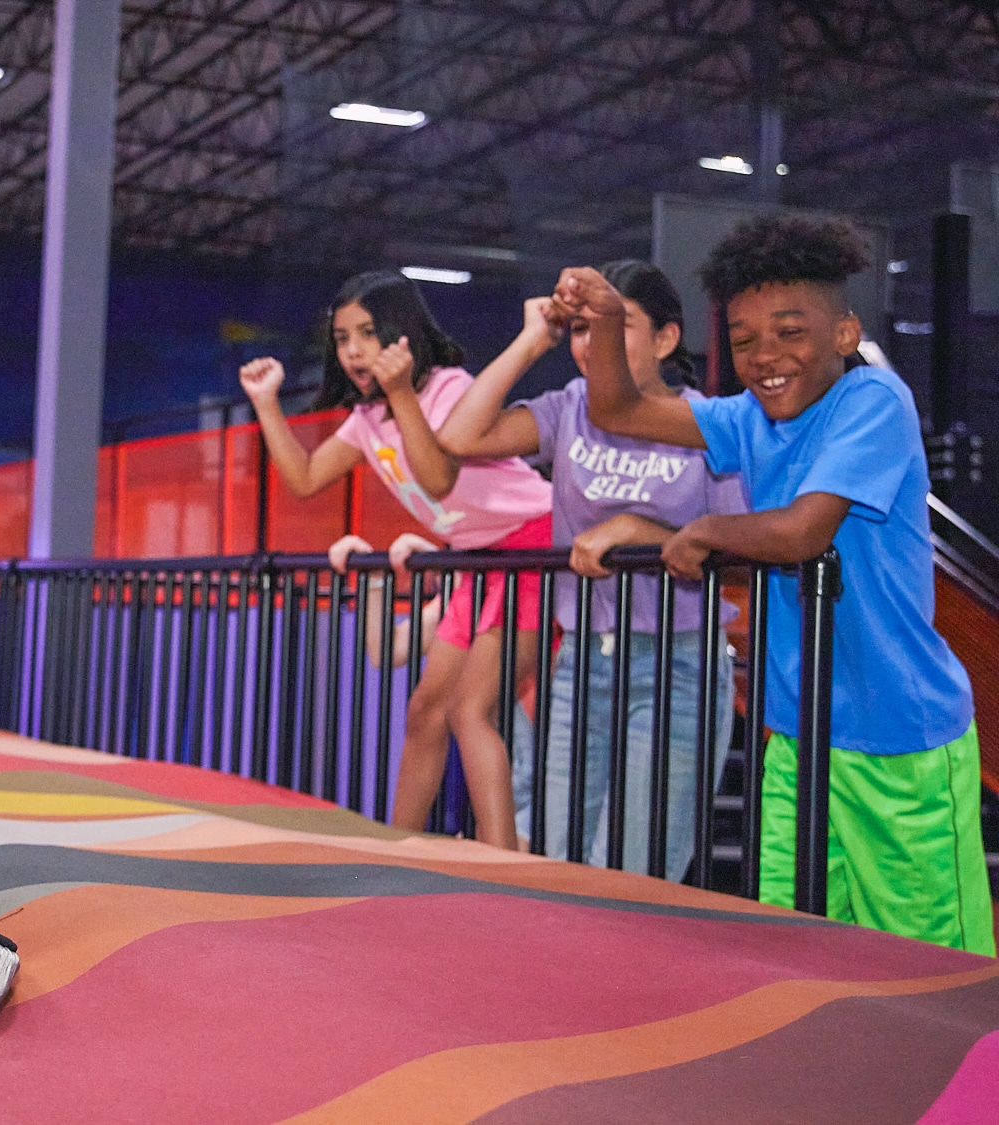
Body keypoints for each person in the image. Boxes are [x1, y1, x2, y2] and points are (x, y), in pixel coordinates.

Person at [557, 215, 993, 953]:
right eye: (744, 338)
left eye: (790, 331)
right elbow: (618, 409)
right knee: (793, 945)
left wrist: (700, 532)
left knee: (930, 966)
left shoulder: (873, 403)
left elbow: (801, 531)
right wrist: (603, 319)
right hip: (797, 733)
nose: (766, 356)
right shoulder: (745, 416)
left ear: (845, 334)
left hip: (899, 738)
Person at [439, 261, 743, 879]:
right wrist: (532, 341)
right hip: (581, 664)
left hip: (678, 666)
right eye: (580, 328)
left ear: (665, 338)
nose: (591, 342)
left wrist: (640, 533)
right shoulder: (570, 406)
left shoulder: (709, 422)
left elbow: (738, 550)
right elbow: (460, 437)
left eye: (615, 324)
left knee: (633, 873)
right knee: (557, 862)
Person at [240, 270, 554, 849]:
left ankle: (502, 858)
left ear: (402, 333)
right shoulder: (367, 420)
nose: (354, 349)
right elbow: (306, 479)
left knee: (470, 710)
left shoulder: (448, 389)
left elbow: (436, 480)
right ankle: (397, 852)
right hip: (479, 561)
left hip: (534, 545)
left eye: (367, 332)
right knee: (424, 712)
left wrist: (404, 393)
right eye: (342, 338)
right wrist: (264, 404)